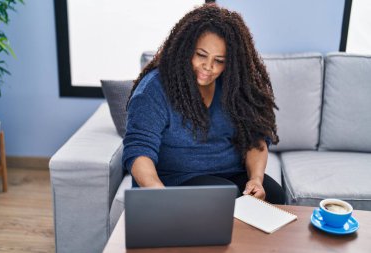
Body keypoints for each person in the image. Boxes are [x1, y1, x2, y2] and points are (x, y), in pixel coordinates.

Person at [122, 3, 285, 204]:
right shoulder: (153, 90)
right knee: (221, 194)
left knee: (274, 195)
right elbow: (139, 150)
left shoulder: (236, 86)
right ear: (185, 48)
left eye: (219, 60)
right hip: (174, 181)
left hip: (230, 176)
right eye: (201, 55)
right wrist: (158, 192)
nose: (209, 67)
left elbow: (256, 139)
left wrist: (256, 179)